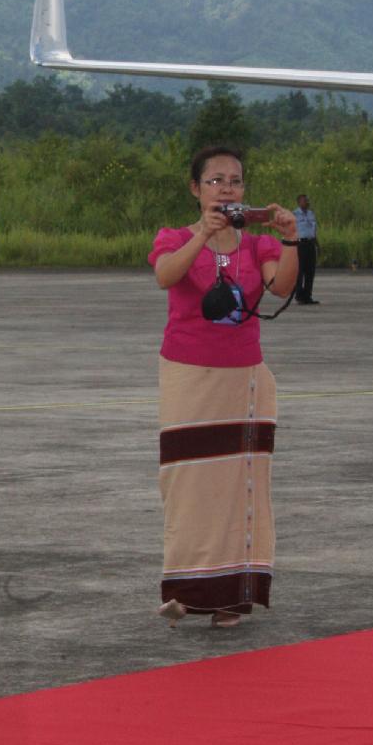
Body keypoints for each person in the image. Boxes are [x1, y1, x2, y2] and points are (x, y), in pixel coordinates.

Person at [148, 146, 298, 629]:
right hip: (188, 375)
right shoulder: (174, 237)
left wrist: (291, 240)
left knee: (241, 489)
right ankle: (187, 590)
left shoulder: (257, 246)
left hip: (244, 377)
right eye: (215, 181)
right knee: (187, 485)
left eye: (235, 181)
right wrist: (204, 235)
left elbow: (281, 288)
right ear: (195, 188)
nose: (226, 189)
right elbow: (165, 275)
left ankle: (232, 596)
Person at [294, 193, 320, 304]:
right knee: (299, 271)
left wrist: (317, 245)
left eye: (308, 200)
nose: (307, 202)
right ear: (299, 202)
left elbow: (313, 231)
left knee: (310, 271)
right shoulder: (294, 214)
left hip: (310, 243)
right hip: (300, 244)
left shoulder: (311, 214)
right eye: (305, 200)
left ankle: (307, 296)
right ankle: (299, 296)